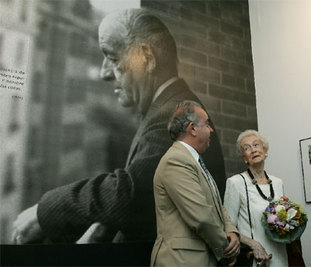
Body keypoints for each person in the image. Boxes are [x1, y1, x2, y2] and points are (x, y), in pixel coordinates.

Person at [11, 8, 226, 245]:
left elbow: (133, 193)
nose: (104, 73)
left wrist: (46, 211)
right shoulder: (168, 110)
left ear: (148, 58)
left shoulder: (176, 113)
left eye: (112, 58)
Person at [150, 100, 240, 266]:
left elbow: (217, 207)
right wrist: (226, 249)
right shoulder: (176, 160)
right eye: (207, 124)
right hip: (182, 261)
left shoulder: (194, 161)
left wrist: (231, 231)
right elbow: (201, 217)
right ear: (192, 128)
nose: (211, 129)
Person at [224, 130, 288, 267]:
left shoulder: (277, 183)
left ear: (264, 150)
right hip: (255, 257)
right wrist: (253, 244)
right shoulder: (235, 182)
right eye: (247, 148)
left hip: (280, 254)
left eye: (256, 145)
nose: (253, 150)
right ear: (244, 158)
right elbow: (228, 227)